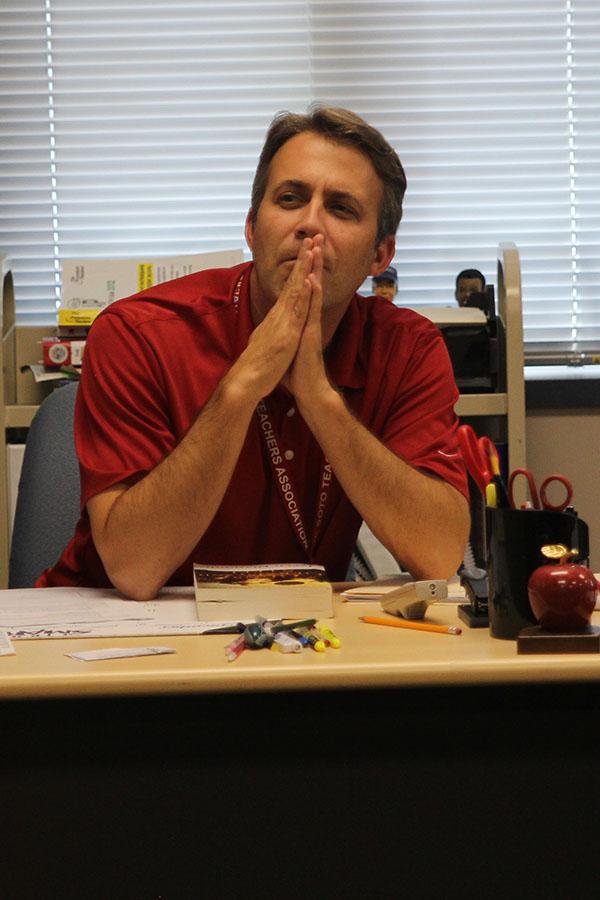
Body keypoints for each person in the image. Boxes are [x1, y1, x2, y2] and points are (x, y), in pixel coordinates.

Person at [38, 106, 470, 601]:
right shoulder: (137, 334)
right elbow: (135, 571)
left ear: (380, 256)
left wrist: (319, 399)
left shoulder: (408, 348)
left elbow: (439, 555)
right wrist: (242, 386)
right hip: (111, 637)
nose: (310, 225)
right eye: (290, 199)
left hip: (294, 640)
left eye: (341, 208)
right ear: (251, 226)